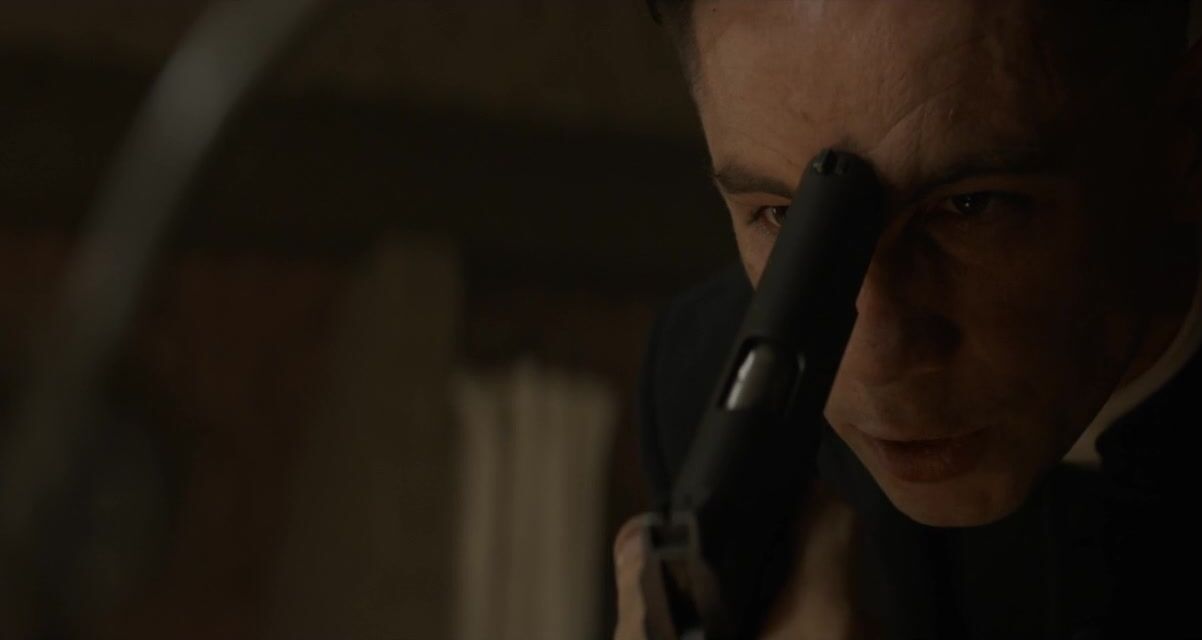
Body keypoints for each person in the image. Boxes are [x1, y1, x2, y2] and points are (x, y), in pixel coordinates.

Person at [613, 1, 1202, 638]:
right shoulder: (702, 379)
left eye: (970, 206)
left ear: (1185, 137)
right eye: (781, 215)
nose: (874, 356)